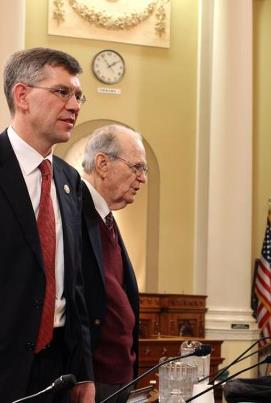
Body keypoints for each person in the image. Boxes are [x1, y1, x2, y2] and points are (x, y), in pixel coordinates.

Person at [0, 47, 95, 402]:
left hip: (56, 372)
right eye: (62, 92)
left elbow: (77, 286)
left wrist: (84, 371)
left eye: (77, 95)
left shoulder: (70, 182)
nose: (74, 105)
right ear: (22, 96)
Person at [81, 124, 147, 402]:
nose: (142, 179)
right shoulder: (73, 214)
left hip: (119, 376)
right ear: (103, 164)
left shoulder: (106, 218)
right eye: (136, 168)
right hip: (93, 379)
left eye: (145, 170)